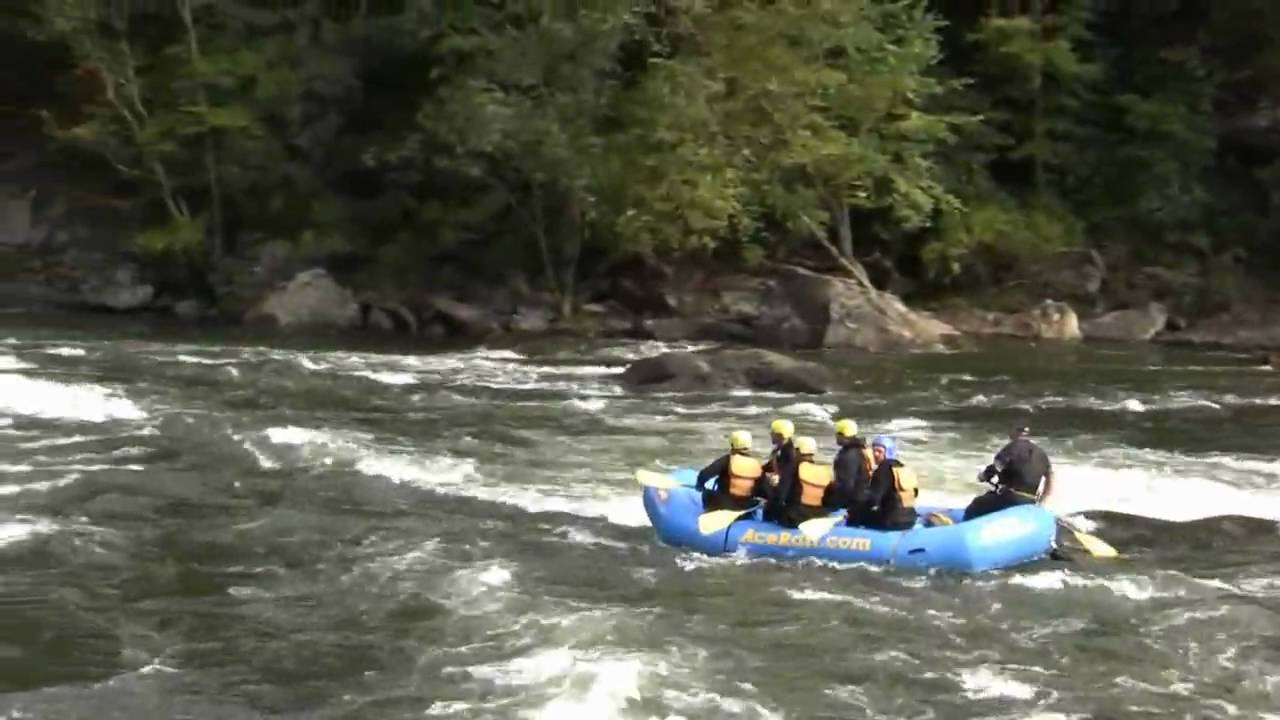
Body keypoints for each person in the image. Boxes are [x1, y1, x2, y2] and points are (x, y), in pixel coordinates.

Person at [963, 423, 1054, 521]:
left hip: (1009, 498)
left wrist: (983, 476)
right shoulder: (1041, 453)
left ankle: (961, 528)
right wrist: (1041, 503)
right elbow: (1050, 479)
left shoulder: (1012, 447)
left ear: (1014, 432)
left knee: (976, 504)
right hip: (1030, 501)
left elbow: (995, 468)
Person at [848, 435, 918, 531]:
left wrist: (855, 508)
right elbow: (915, 494)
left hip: (892, 520)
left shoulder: (883, 470)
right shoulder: (902, 467)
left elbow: (873, 500)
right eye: (874, 451)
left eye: (879, 451)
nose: (875, 454)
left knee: (855, 513)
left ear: (888, 452)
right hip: (910, 519)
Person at [695, 430, 768, 512]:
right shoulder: (756, 464)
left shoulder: (727, 460)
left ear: (732, 445)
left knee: (707, 494)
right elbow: (765, 489)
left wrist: (700, 485)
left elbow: (704, 474)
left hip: (724, 504)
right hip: (747, 506)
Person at [777, 436, 837, 528]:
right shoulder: (823, 470)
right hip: (819, 516)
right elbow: (831, 498)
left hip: (796, 518)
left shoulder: (792, 468)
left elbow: (780, 495)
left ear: (797, 450)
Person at [830, 418, 874, 509]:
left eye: (837, 434)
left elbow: (847, 485)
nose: (836, 437)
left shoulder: (848, 455)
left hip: (854, 501)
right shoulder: (861, 449)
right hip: (864, 495)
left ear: (843, 435)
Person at [761, 418, 796, 522]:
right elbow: (768, 467)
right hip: (779, 487)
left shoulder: (791, 453)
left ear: (780, 435)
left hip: (786, 493)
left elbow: (789, 475)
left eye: (773, 433)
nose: (770, 434)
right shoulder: (779, 450)